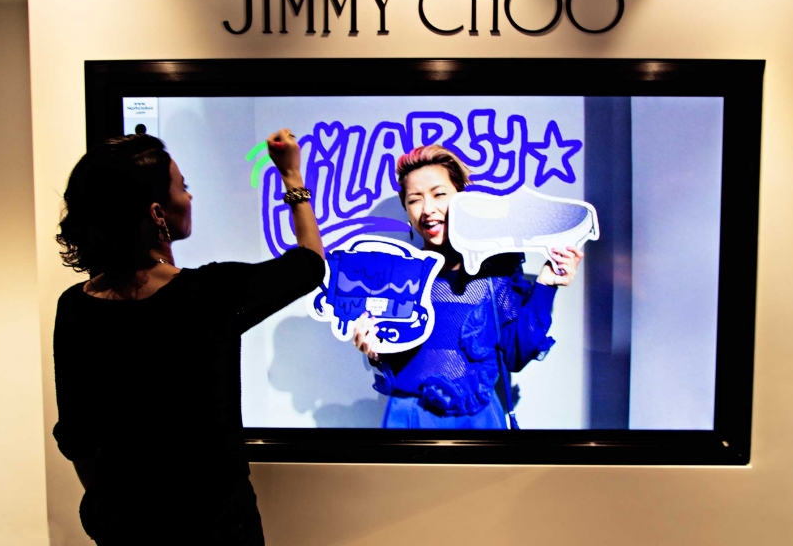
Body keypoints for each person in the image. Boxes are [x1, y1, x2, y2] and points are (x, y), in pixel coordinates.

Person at [52, 129, 323, 545]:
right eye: (183, 186)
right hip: (216, 527)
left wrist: (119, 511)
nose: (190, 196)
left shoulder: (75, 307)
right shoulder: (209, 296)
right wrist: (291, 176)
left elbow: (78, 437)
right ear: (157, 214)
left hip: (124, 530)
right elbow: (309, 265)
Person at [352, 146, 583, 429]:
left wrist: (547, 284)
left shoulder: (495, 274)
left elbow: (516, 354)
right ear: (406, 209)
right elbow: (391, 352)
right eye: (414, 200)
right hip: (409, 419)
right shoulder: (396, 277)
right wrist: (374, 349)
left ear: (462, 198)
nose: (428, 209)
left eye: (439, 194)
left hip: (478, 421)